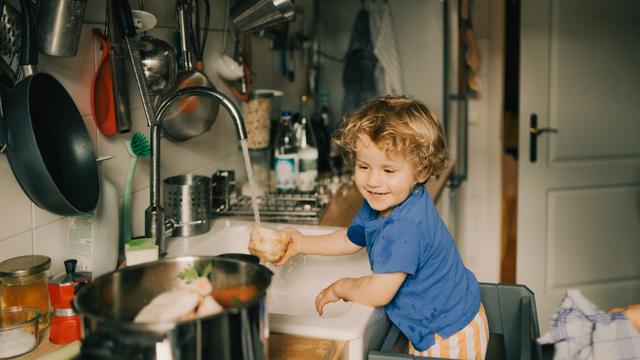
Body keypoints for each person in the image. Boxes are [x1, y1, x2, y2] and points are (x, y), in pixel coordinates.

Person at [275, 96, 488, 359]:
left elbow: (378, 293)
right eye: (364, 166)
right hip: (441, 321)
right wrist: (302, 244)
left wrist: (341, 287)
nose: (374, 181)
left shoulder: (405, 225)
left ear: (421, 172)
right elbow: (351, 239)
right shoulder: (383, 202)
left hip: (450, 334)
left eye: (388, 171)